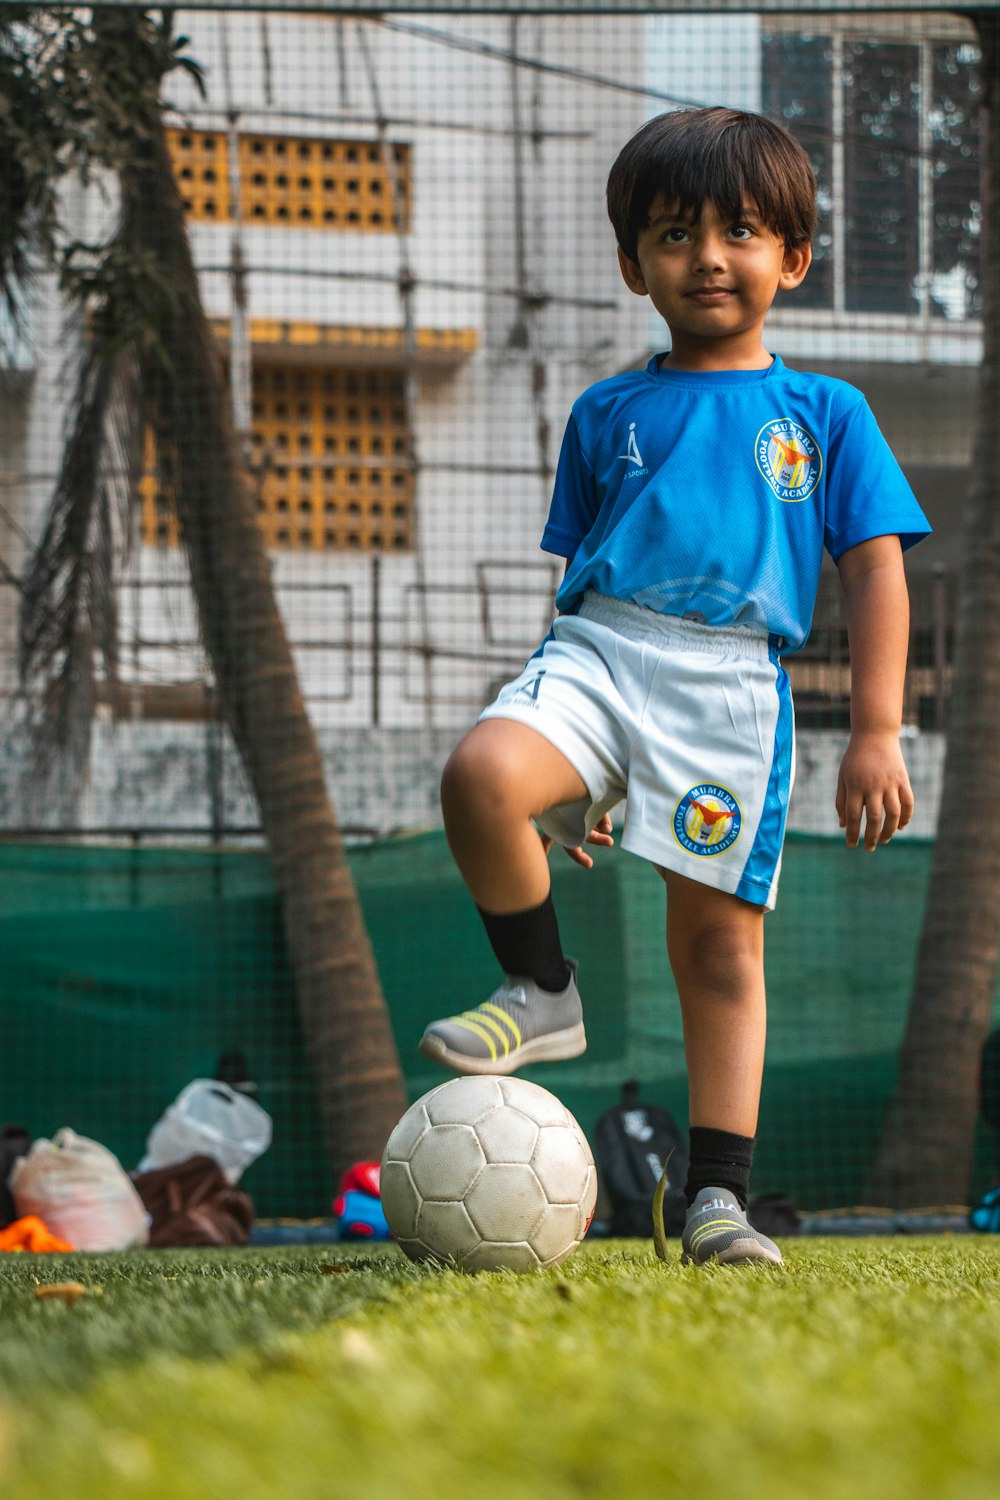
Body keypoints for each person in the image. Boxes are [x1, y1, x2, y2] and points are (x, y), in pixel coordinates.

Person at [420, 107, 931, 1265]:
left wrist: (878, 730)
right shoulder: (604, 411)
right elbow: (577, 575)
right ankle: (540, 987)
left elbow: (876, 574)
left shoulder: (827, 414)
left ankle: (716, 1198)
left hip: (728, 690)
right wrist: (575, 764)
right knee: (484, 775)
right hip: (597, 652)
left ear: (790, 258)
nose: (707, 255)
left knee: (715, 951)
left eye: (740, 230)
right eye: (673, 233)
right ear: (631, 262)